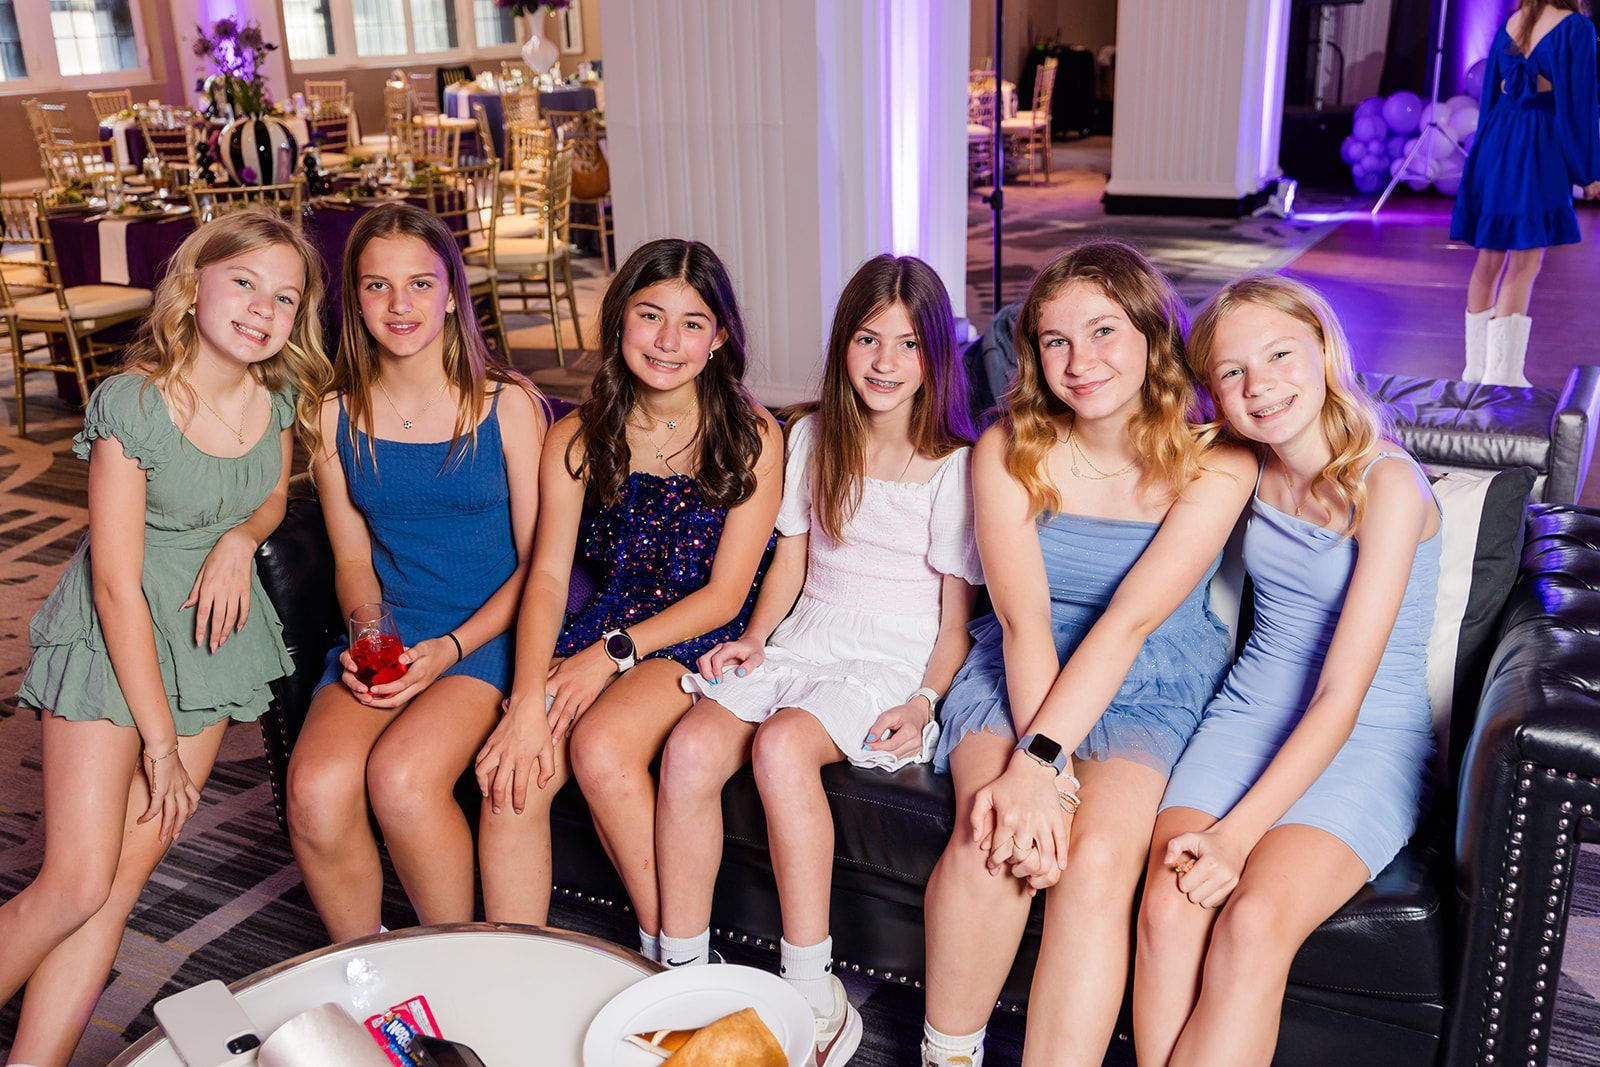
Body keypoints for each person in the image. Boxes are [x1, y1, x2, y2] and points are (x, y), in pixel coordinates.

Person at [0, 208, 330, 1065]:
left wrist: (240, 539)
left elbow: (271, 493)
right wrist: (159, 742)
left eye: (284, 297)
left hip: (208, 649)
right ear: (193, 286)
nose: (262, 309)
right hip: (113, 644)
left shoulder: (276, 397)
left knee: (116, 891)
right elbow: (115, 585)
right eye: (244, 282)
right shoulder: (134, 402)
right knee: (75, 883)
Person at [919, 241, 1256, 1067]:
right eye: (1056, 340)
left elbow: (1132, 622)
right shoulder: (1006, 448)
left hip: (1152, 670)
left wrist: (1043, 764)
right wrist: (1040, 775)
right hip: (1023, 666)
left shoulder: (1218, 457)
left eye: (1104, 331)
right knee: (993, 830)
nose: (1080, 361)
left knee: (1099, 860)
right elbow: (1023, 619)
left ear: (1151, 334)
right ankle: (946, 1056)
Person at [653, 255, 983, 1065]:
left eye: (908, 344)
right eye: (868, 339)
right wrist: (758, 636)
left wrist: (926, 700)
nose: (885, 361)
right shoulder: (811, 435)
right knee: (689, 747)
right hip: (807, 633)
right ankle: (681, 970)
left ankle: (812, 985)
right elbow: (793, 563)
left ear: (936, 353)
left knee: (781, 744)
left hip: (892, 652)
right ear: (843, 345)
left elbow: (954, 625)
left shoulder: (956, 464)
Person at [1133, 275, 1441, 1067]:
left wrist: (1234, 836)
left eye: (1279, 354)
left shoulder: (1390, 483)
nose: (1260, 384)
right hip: (1246, 714)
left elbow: (1342, 694)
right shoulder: (1239, 465)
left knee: (1253, 922)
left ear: (1325, 349)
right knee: (1168, 904)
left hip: (1364, 733)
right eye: (1232, 371)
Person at [476, 238, 783, 948]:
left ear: (719, 337)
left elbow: (725, 595)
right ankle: (509, 967)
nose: (668, 341)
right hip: (608, 617)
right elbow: (547, 576)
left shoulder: (753, 435)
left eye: (692, 323)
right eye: (650, 315)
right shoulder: (577, 435)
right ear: (619, 318)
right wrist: (527, 701)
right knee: (511, 775)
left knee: (602, 747)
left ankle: (675, 955)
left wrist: (608, 657)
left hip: (699, 634)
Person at [285, 203, 545, 943]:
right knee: (314, 789)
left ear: (453, 294)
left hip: (490, 634)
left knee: (401, 779)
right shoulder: (330, 414)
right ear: (355, 299)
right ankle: (365, 964)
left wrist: (451, 648)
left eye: (420, 284)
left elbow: (542, 566)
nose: (399, 305)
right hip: (393, 631)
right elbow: (352, 559)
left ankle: (452, 961)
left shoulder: (508, 405)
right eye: (378, 286)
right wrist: (371, 638)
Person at [1451, 0, 1600, 385]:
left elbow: (1490, 97)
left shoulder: (1511, 23)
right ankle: (1502, 375)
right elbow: (1579, 104)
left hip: (1496, 142)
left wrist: (1482, 161)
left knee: (1488, 260)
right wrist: (1588, 171)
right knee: (1524, 263)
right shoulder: (1575, 27)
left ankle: (1475, 371)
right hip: (1538, 146)